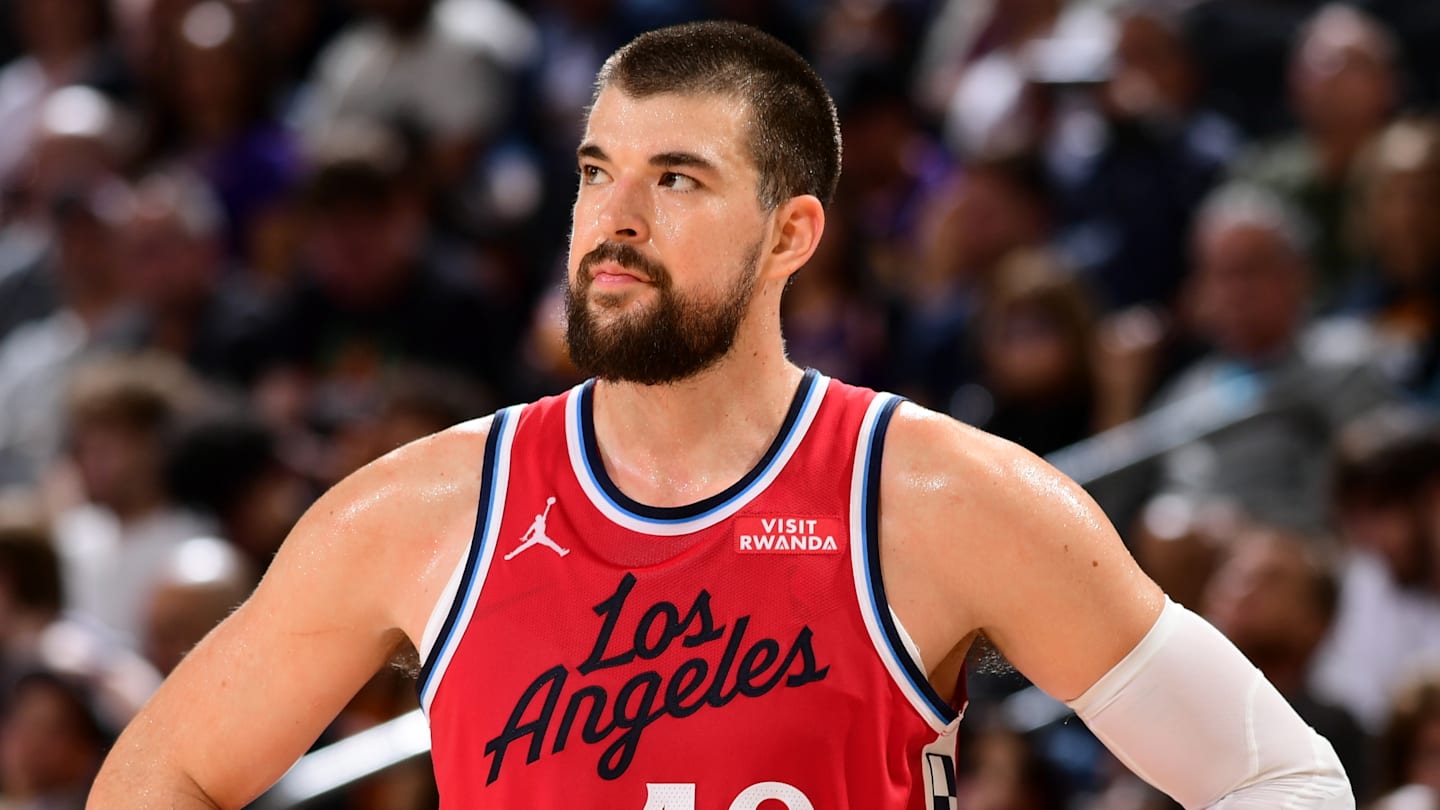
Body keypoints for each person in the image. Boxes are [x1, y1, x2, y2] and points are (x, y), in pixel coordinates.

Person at [89, 22, 1352, 808]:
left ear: (790, 234)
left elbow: (1282, 779)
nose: (615, 218)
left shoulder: (940, 496)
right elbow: (162, 777)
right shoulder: (418, 510)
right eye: (597, 171)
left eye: (677, 179)